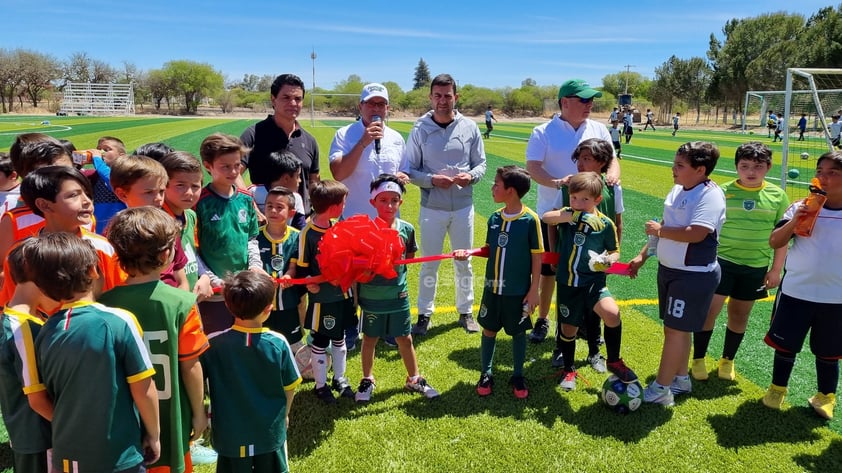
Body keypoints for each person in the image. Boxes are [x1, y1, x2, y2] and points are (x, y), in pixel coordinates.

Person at [28, 232, 160, 473]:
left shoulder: (42, 332)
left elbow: (37, 400)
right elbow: (144, 389)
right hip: (118, 455)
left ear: (43, 289)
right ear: (93, 271)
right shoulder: (120, 321)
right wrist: (154, 435)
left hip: (66, 454)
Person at [99, 207, 210, 473]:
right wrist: (198, 412)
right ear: (165, 255)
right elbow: (190, 365)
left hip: (121, 416)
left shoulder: (102, 304)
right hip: (170, 414)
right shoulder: (182, 303)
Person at [628, 142, 726, 407]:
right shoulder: (678, 189)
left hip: (693, 276)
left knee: (674, 331)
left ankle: (661, 388)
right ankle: (680, 379)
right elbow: (665, 227)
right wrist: (643, 255)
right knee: (677, 331)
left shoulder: (710, 195)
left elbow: (696, 233)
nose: (673, 169)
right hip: (671, 271)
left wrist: (659, 231)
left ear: (700, 170)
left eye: (680, 165)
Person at [525, 78, 620, 345]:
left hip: (593, 217)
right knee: (550, 272)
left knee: (588, 271)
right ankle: (543, 319)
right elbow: (533, 167)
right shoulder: (543, 131)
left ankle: (583, 326)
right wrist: (556, 183)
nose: (590, 104)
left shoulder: (599, 128)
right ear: (565, 103)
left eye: (591, 100)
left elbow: (612, 162)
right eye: (584, 100)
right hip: (554, 214)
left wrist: (611, 177)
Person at [691, 142, 789, 381]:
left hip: (755, 266)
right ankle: (699, 358)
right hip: (721, 262)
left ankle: (727, 360)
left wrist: (776, 270)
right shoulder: (721, 191)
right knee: (709, 311)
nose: (751, 172)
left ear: (768, 167)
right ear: (736, 166)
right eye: (744, 166)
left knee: (739, 315)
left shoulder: (778, 196)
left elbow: (782, 238)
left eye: (757, 166)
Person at [405, 73, 487, 335]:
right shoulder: (419, 128)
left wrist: (471, 176)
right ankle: (424, 315)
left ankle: (466, 312)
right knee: (430, 262)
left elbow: (481, 164)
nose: (443, 101)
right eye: (437, 96)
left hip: (463, 207)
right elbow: (409, 170)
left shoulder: (470, 127)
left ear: (456, 97)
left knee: (464, 261)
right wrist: (431, 180)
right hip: (432, 208)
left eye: (447, 96)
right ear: (430, 97)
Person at [762, 150, 842, 420]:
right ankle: (777, 389)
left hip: (836, 299)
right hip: (797, 293)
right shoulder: (801, 207)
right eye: (821, 171)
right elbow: (775, 242)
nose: (824, 177)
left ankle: (826, 396)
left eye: (833, 173)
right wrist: (797, 220)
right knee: (786, 346)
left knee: (829, 352)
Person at [542, 172, 638, 391]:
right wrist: (569, 216)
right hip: (568, 283)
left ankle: (614, 360)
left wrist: (607, 260)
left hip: (594, 282)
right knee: (568, 329)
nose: (578, 203)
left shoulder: (605, 224)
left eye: (584, 199)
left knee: (612, 314)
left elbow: (615, 251)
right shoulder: (567, 214)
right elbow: (547, 218)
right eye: (574, 198)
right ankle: (568, 369)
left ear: (597, 200)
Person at [202, 270, 301, 473]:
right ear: (269, 309)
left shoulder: (212, 344)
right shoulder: (278, 344)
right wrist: (286, 415)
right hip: (269, 432)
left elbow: (197, 382)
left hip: (230, 433)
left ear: (228, 305)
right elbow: (289, 386)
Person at [457, 166, 542, 399]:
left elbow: (537, 256)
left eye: (496, 184)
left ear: (511, 191)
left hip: (517, 292)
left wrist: (534, 291)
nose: (492, 187)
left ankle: (517, 374)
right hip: (492, 289)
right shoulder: (495, 218)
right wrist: (470, 252)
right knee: (489, 329)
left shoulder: (530, 220)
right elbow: (489, 250)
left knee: (517, 332)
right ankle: (486, 373)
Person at [355, 175, 440, 403]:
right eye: (383, 200)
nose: (389, 205)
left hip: (398, 295)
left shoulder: (407, 229)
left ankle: (414, 378)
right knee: (370, 338)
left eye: (394, 200)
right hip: (371, 297)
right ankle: (367, 378)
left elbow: (408, 258)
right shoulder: (364, 231)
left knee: (405, 338)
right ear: (373, 202)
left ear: (401, 202)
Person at [549, 139, 625, 372]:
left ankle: (595, 351)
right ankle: (562, 352)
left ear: (602, 163)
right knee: (568, 312)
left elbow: (618, 223)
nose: (580, 164)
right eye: (579, 159)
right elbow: (550, 220)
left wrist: (611, 259)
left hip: (595, 265)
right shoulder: (567, 188)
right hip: (569, 266)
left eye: (587, 159)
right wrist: (554, 253)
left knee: (596, 311)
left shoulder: (612, 188)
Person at [1, 166, 124, 305]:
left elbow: (118, 296)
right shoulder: (21, 255)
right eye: (73, 195)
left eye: (87, 193)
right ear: (44, 205)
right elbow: (13, 306)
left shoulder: (103, 248)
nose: (87, 201)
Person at [196, 133, 263, 334]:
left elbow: (251, 238)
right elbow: (194, 249)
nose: (233, 171)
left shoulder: (245, 198)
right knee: (217, 342)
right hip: (214, 293)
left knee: (245, 339)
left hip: (243, 289)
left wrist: (255, 266)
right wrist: (211, 278)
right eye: (225, 166)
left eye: (237, 165)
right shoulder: (200, 202)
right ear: (208, 166)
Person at [297, 180, 356, 403]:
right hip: (324, 300)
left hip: (343, 295)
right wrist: (308, 284)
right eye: (343, 202)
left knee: (340, 338)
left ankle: (339, 378)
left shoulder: (338, 227)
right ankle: (320, 386)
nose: (344, 206)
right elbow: (302, 268)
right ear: (334, 206)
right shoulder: (308, 234)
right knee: (321, 341)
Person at [0, 241, 53, 473]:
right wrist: (72, 427)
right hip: (37, 438)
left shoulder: (24, 320)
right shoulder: (22, 330)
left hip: (32, 435)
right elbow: (36, 399)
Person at [240, 74, 319, 213]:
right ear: (273, 99)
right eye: (286, 97)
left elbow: (313, 182)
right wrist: (253, 209)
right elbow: (234, 174)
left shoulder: (309, 140)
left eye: (298, 99)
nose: (293, 103)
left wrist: (315, 212)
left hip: (300, 222)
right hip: (264, 222)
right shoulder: (253, 134)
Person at [329, 82, 408, 220]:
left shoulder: (396, 138)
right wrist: (363, 142)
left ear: (387, 108)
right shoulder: (344, 134)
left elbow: (404, 170)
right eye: (371, 103)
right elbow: (339, 174)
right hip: (353, 218)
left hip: (388, 220)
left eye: (381, 104)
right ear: (360, 106)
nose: (376, 108)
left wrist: (402, 176)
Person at [110, 155, 190, 291]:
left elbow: (181, 278)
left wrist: (179, 304)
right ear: (122, 194)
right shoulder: (115, 235)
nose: (158, 199)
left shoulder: (166, 226)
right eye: (149, 192)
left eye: (161, 191)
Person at [160, 151, 214, 301]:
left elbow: (192, 252)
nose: (189, 192)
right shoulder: (157, 221)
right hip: (169, 302)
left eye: (195, 186)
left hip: (190, 301)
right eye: (180, 185)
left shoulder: (190, 215)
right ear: (163, 185)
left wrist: (204, 276)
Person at [256, 186, 303, 349]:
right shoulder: (255, 235)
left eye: (279, 207)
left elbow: (294, 265)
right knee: (262, 342)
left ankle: (296, 368)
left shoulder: (298, 237)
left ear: (291, 212)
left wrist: (290, 275)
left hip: (288, 302)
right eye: (269, 206)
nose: (273, 211)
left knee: (291, 344)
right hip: (261, 303)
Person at [247, 151, 307, 229]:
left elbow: (300, 228)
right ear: (286, 178)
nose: (300, 180)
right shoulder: (253, 192)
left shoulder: (296, 198)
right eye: (298, 176)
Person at [89, 136, 128, 233]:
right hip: (97, 227)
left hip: (118, 226)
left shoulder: (123, 174)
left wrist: (97, 160)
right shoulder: (97, 173)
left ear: (121, 156)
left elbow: (111, 178)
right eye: (98, 149)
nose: (101, 152)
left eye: (106, 149)